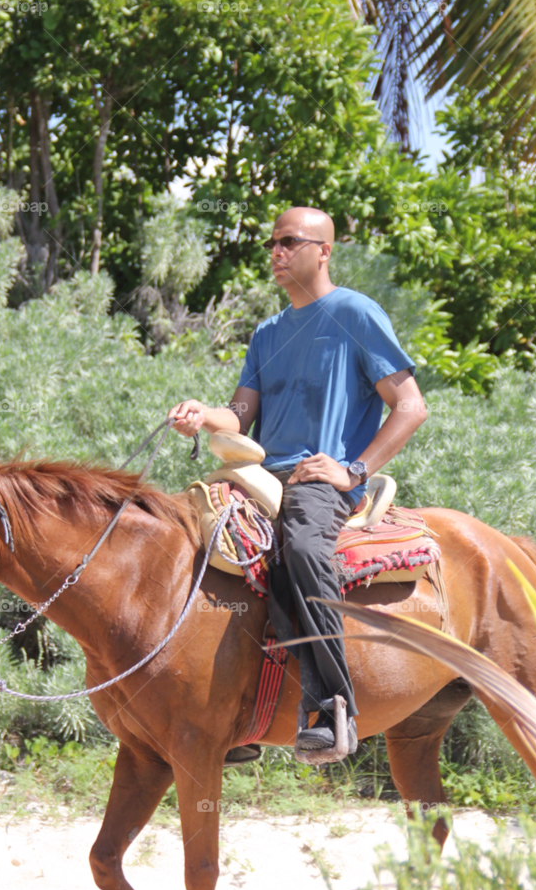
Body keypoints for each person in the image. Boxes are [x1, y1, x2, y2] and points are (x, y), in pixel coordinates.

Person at [169, 206, 427, 758]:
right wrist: (203, 415)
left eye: (288, 242)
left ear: (323, 251)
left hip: (319, 479)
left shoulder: (355, 313)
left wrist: (353, 470)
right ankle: (231, 708)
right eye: (271, 244)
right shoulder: (267, 333)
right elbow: (241, 415)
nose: (276, 253)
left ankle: (333, 707)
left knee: (305, 548)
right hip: (261, 474)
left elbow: (410, 406)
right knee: (194, 543)